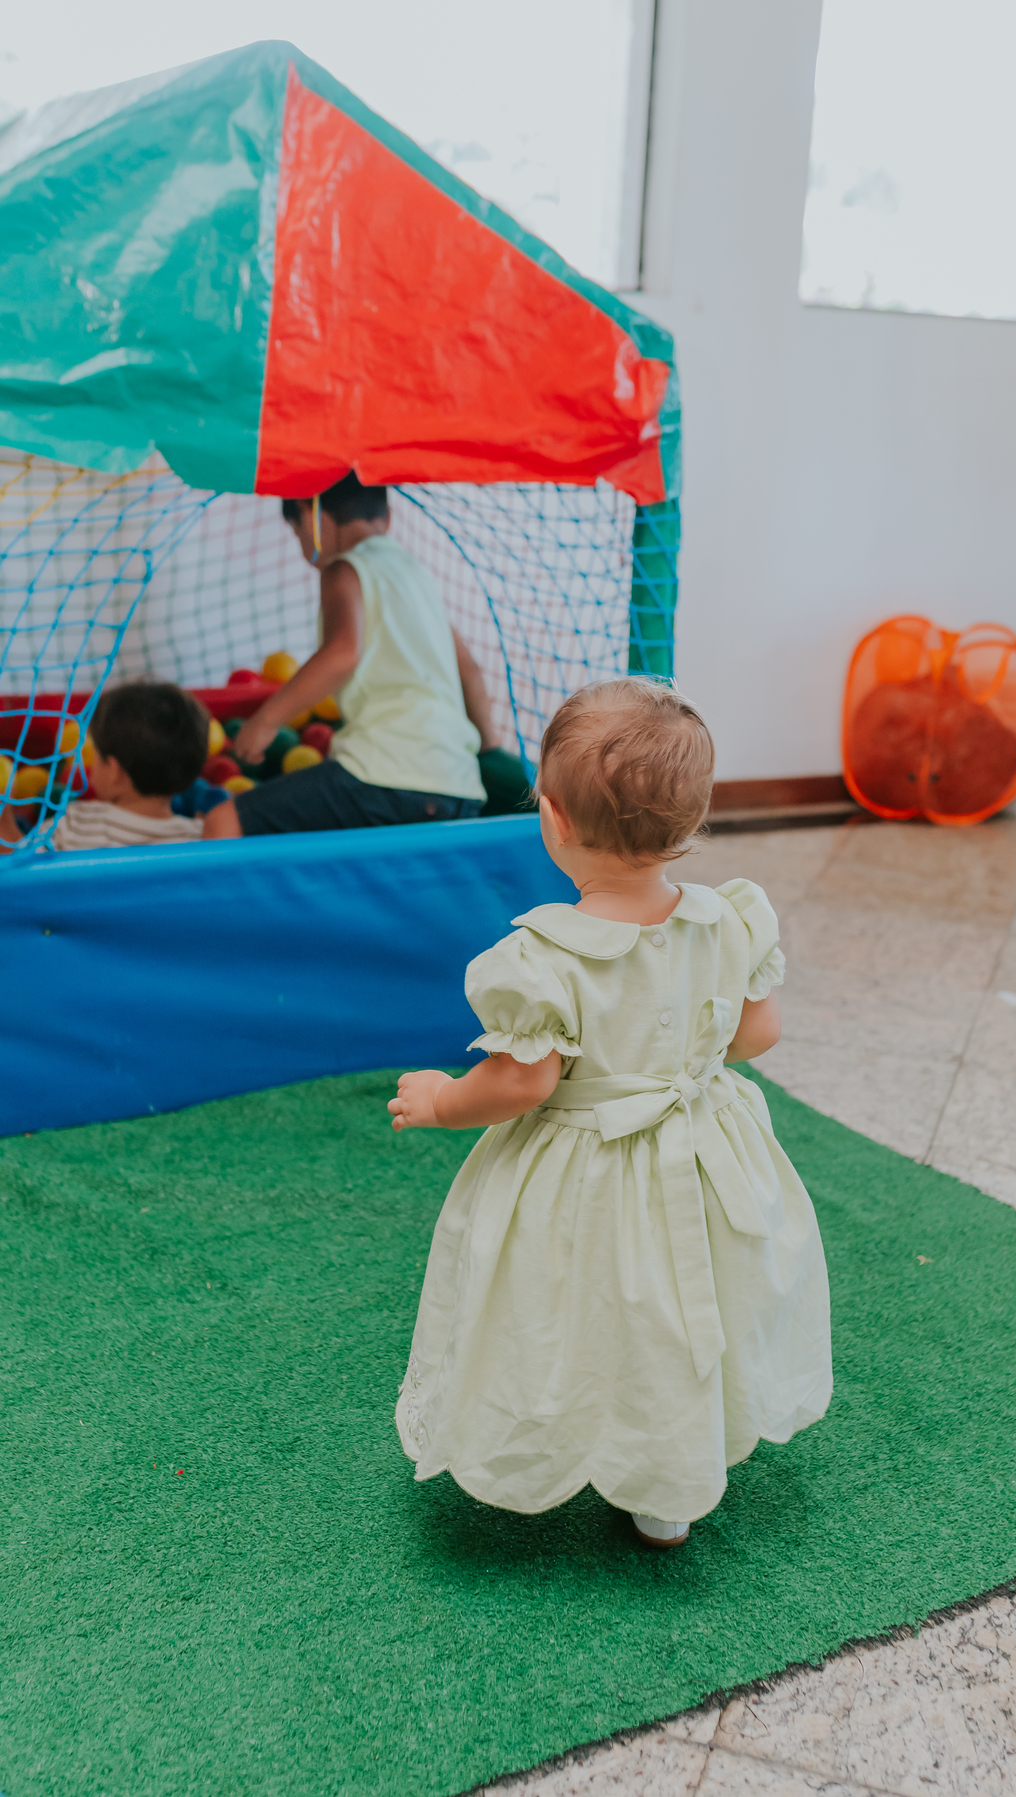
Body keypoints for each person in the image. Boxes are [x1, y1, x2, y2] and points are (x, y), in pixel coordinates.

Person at [388, 677, 832, 1546]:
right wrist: (682, 1055)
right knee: (681, 1310)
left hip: (585, 1177)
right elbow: (759, 1033)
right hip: (706, 1152)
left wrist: (443, 1099)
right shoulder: (731, 922)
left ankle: (553, 1439)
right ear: (692, 821)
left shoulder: (542, 957)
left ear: (551, 818)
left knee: (572, 1311)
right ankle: (670, 1487)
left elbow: (525, 1083)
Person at [203, 473, 492, 838]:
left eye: (298, 535)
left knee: (222, 821)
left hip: (384, 775)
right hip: (460, 788)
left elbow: (342, 654)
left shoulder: (343, 568)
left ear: (309, 515)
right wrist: (489, 750)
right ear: (386, 516)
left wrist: (264, 723)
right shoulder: (417, 575)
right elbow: (470, 671)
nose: (303, 547)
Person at [0, 682, 208, 853]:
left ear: (115, 772)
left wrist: (4, 816)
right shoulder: (201, 837)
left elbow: (21, 866)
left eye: (98, 756)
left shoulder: (74, 825)